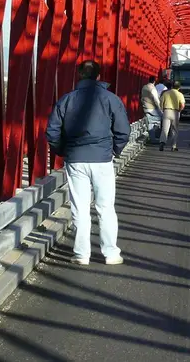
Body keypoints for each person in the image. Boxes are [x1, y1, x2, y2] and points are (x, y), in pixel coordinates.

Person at [46, 60, 127, 266]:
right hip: (102, 159)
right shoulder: (111, 99)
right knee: (105, 207)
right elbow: (122, 132)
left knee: (80, 208)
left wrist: (63, 151)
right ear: (98, 76)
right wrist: (114, 151)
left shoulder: (66, 100)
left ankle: (82, 255)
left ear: (79, 75)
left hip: (75, 159)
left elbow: (52, 131)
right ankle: (111, 254)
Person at [159, 81, 185, 152]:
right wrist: (179, 110)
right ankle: (173, 146)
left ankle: (162, 142)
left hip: (166, 111)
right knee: (174, 130)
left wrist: (162, 109)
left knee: (165, 129)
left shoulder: (166, 93)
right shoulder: (180, 94)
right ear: (179, 87)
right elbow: (182, 105)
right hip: (175, 112)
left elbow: (161, 102)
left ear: (172, 86)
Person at [140, 76, 162, 143]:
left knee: (150, 124)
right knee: (160, 119)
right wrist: (160, 108)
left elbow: (141, 96)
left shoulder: (144, 87)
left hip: (145, 107)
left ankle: (152, 138)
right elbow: (156, 100)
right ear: (154, 81)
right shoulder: (153, 88)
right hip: (152, 108)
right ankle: (155, 137)